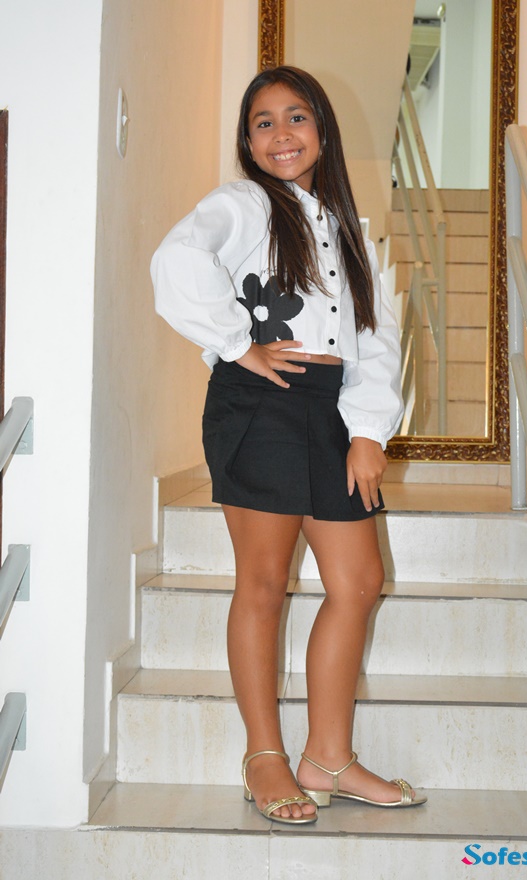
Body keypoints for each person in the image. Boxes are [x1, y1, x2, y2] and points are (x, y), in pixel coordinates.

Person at [151, 66, 426, 825]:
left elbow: (374, 334)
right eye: (262, 122)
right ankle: (264, 757)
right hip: (260, 403)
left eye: (296, 117)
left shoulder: (343, 225)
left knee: (358, 581)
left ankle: (328, 758)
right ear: (247, 141)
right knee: (265, 582)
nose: (280, 134)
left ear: (322, 132)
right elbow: (176, 258)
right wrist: (237, 344)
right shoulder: (242, 204)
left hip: (330, 412)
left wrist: (367, 432)